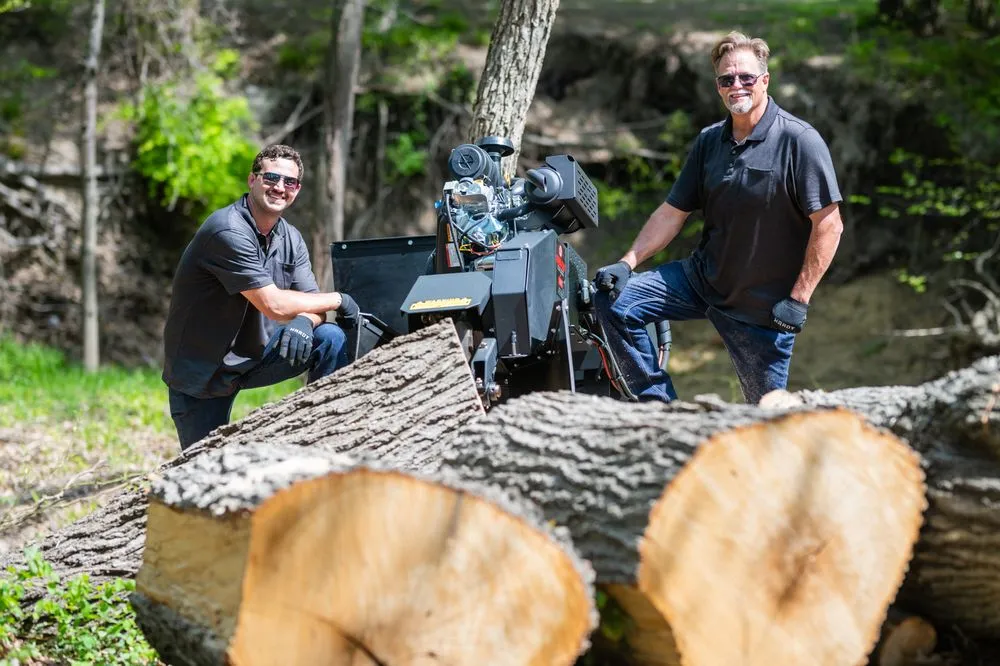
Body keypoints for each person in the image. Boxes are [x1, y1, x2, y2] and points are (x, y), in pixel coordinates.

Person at [593, 31, 843, 404]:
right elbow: (672, 212)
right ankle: (658, 413)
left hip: (762, 314)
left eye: (746, 77)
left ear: (765, 80)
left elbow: (829, 224)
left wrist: (799, 299)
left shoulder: (799, 141)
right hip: (700, 281)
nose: (736, 86)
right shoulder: (710, 141)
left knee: (767, 418)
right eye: (727, 79)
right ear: (718, 86)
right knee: (613, 302)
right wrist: (628, 263)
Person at [162, 144, 360, 450]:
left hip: (256, 354)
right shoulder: (226, 230)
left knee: (329, 336)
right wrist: (339, 300)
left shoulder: (291, 237)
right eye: (271, 177)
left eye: (289, 182)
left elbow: (310, 301)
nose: (280, 187)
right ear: (252, 180)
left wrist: (305, 322)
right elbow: (275, 305)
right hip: (204, 372)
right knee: (205, 471)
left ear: (297, 189)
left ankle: (324, 437)